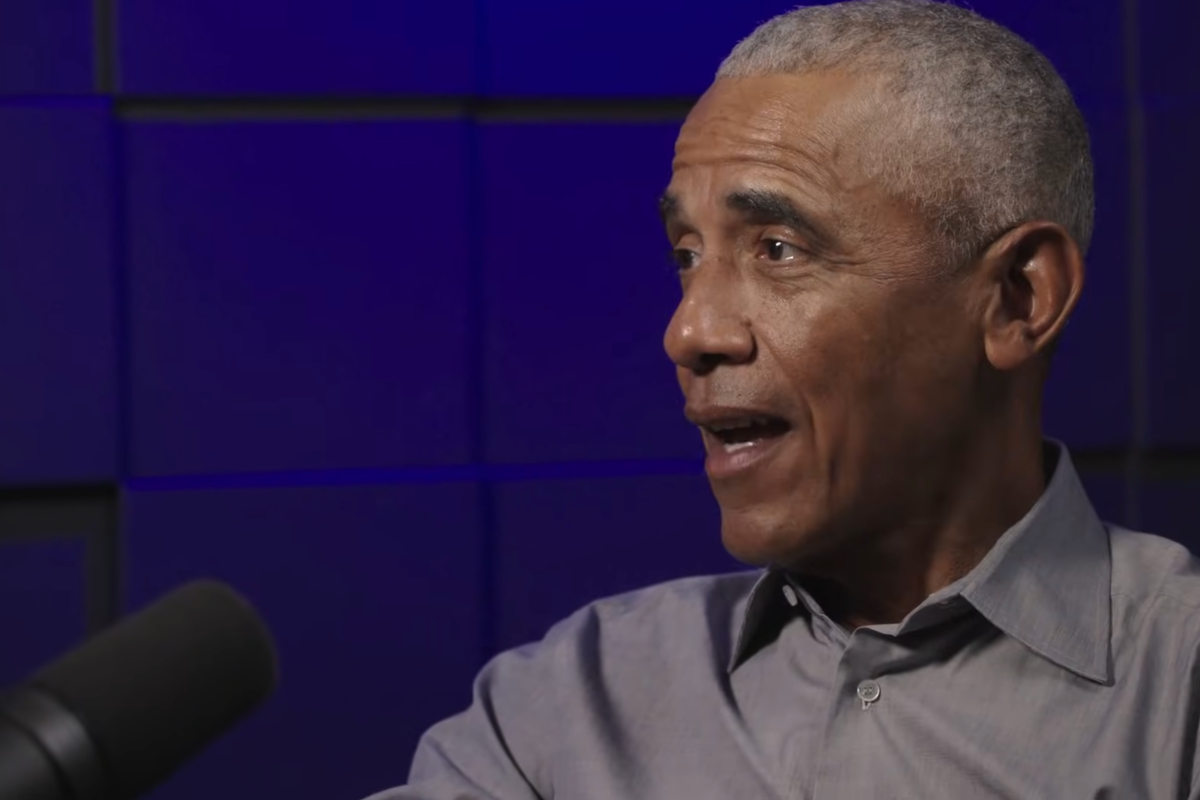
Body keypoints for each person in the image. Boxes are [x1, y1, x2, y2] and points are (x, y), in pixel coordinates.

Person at [371, 2, 1200, 797]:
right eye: (686, 254)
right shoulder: (564, 707)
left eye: (776, 248)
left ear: (1020, 298)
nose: (689, 331)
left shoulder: (1179, 693)